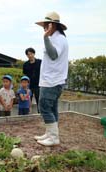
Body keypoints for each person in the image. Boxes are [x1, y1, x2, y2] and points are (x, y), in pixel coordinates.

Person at [34, 12, 69, 146]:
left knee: (44, 107)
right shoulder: (56, 37)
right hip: (53, 80)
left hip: (52, 81)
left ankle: (53, 137)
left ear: (52, 25)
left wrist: (45, 37)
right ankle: (50, 134)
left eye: (45, 25)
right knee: (52, 108)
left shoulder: (58, 39)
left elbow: (53, 55)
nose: (43, 28)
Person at [23, 48, 41, 113]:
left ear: (34, 53)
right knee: (27, 101)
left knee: (39, 101)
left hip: (38, 85)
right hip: (29, 86)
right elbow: (24, 75)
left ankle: (40, 114)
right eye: (28, 54)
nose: (30, 55)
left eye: (31, 54)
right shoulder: (25, 64)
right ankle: (27, 114)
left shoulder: (40, 62)